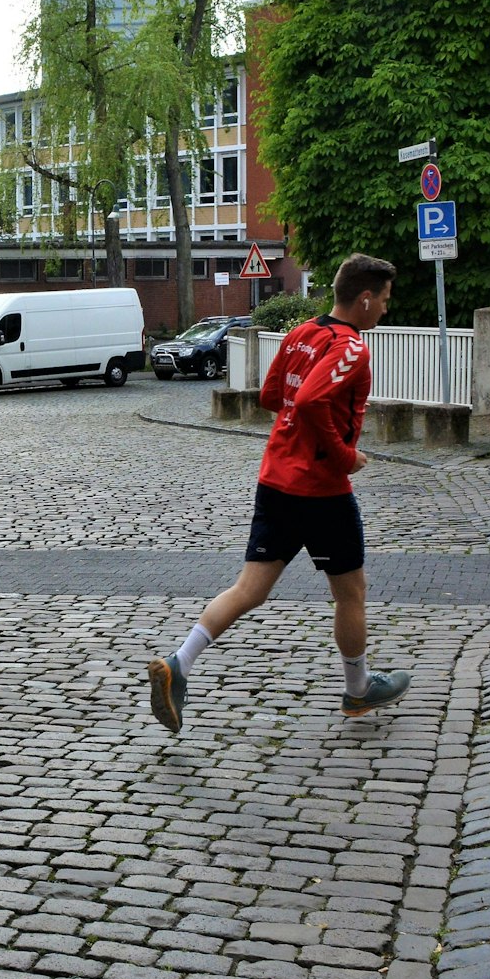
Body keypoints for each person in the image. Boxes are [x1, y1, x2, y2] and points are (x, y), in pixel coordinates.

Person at [147, 253, 410, 731]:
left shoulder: (303, 332)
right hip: (322, 490)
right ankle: (358, 691)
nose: (385, 310)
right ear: (366, 298)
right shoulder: (351, 347)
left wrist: (299, 429)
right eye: (385, 300)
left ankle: (179, 664)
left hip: (276, 479)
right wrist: (343, 454)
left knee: (249, 588)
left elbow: (272, 396)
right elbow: (309, 400)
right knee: (352, 592)